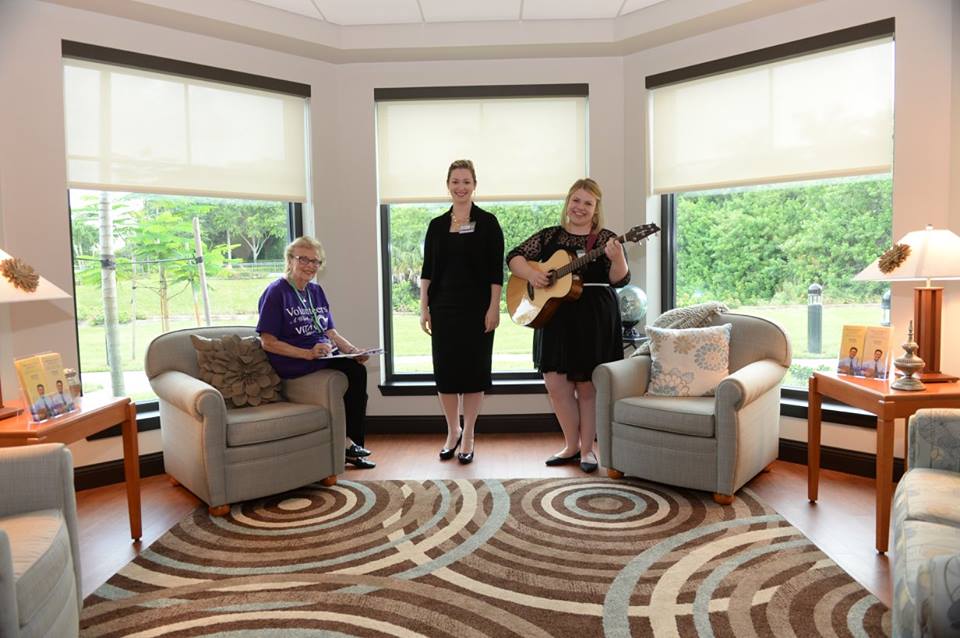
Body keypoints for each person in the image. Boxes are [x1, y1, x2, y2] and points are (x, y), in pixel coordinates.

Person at [507, 178, 629, 473]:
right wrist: (533, 276)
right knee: (556, 385)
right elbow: (513, 257)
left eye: (588, 203)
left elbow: (620, 279)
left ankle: (587, 450)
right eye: (576, 200)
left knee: (586, 387)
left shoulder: (605, 239)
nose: (580, 207)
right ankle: (570, 445)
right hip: (554, 316)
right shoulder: (549, 237)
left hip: (593, 317)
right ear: (568, 203)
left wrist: (619, 257)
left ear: (596, 208)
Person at [257, 236, 376, 470]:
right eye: (304, 260)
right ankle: (349, 445)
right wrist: (307, 353)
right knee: (353, 374)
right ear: (290, 260)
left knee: (356, 369)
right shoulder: (276, 292)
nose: (310, 266)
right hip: (295, 362)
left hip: (321, 355)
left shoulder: (315, 291)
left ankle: (352, 445)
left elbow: (330, 331)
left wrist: (352, 351)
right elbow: (267, 342)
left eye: (316, 262)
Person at [420, 159, 504, 465]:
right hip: (443, 309)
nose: (461, 187)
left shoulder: (489, 223)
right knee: (446, 374)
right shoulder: (436, 226)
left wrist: (494, 308)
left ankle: (469, 433)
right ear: (448, 185)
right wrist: (423, 308)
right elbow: (427, 271)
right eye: (455, 181)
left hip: (477, 310)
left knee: (473, 373)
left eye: (466, 181)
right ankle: (452, 431)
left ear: (474, 185)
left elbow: (497, 273)